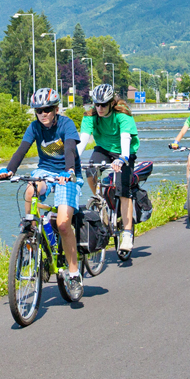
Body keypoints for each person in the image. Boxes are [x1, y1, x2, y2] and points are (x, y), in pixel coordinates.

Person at [0, 88, 82, 286]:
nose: (43, 114)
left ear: (56, 109)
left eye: (47, 109)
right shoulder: (34, 127)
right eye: (39, 110)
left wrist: (69, 171)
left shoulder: (66, 124)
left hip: (67, 175)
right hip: (45, 171)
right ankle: (31, 237)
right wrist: (9, 170)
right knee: (30, 188)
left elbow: (69, 148)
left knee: (62, 224)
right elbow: (22, 149)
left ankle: (74, 272)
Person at [79, 83, 140, 255]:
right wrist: (72, 160)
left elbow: (125, 139)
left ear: (111, 103)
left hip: (123, 151)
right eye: (97, 104)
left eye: (103, 104)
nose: (99, 108)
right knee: (90, 171)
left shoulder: (122, 115)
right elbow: (83, 140)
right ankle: (101, 201)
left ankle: (127, 233)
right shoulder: (91, 115)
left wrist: (122, 159)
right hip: (104, 149)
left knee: (123, 190)